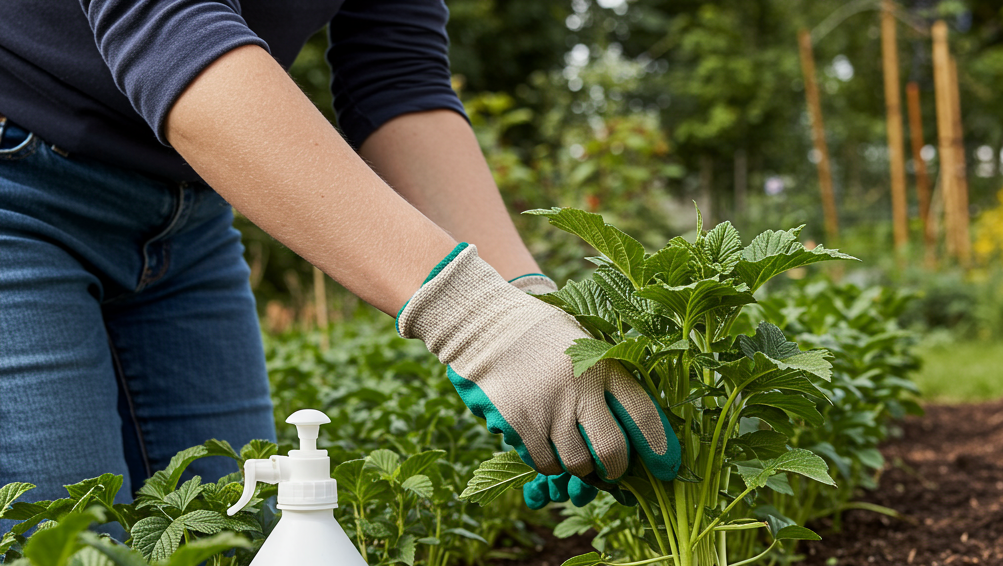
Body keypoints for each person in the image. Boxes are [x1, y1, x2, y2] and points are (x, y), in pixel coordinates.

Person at [0, 0, 680, 530]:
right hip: (18, 184)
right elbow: (166, 25)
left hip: (188, 208)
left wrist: (522, 301)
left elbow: (397, 78)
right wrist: (472, 319)